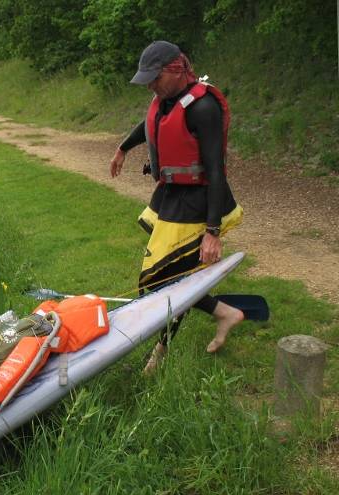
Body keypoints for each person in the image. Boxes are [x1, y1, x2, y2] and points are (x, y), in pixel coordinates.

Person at [109, 41, 245, 373]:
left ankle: (159, 353)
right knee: (172, 278)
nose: (151, 87)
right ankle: (223, 314)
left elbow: (215, 170)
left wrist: (212, 232)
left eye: (155, 79)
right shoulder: (166, 100)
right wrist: (123, 148)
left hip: (196, 202)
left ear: (176, 69)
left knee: (159, 277)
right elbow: (150, 125)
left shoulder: (204, 108)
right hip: (170, 197)